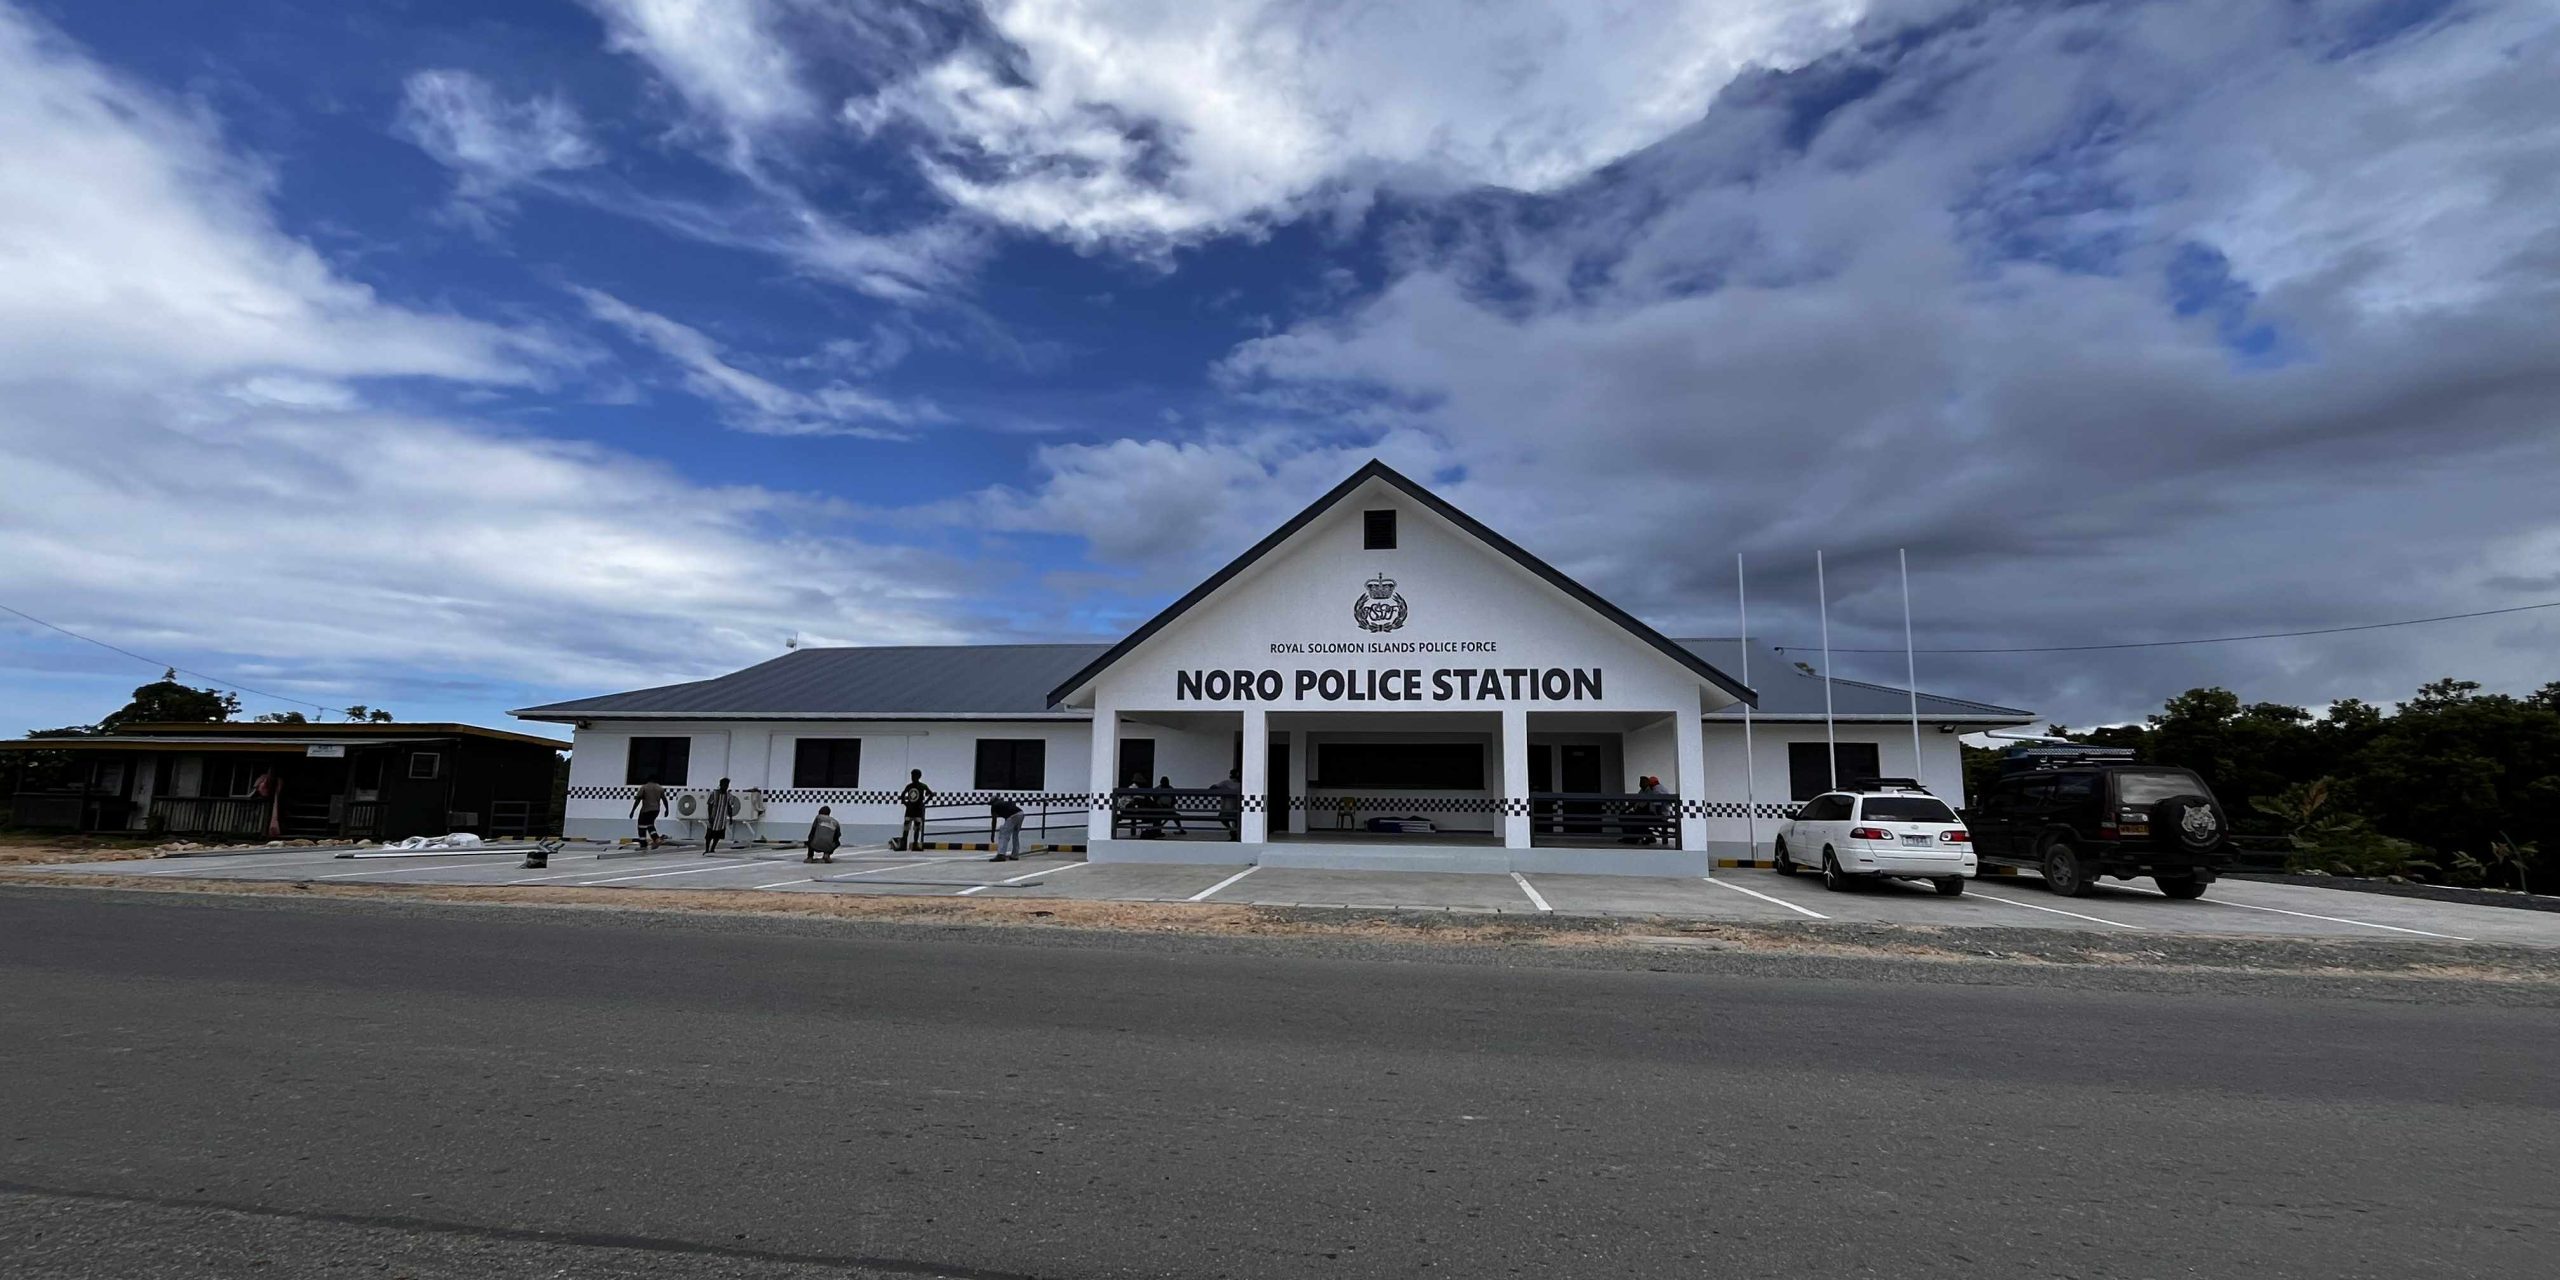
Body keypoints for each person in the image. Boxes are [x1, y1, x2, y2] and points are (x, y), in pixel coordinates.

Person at [896, 769, 933, 850]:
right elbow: (902, 795)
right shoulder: (913, 786)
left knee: (916, 828)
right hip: (913, 810)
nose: (912, 777)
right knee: (907, 828)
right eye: (912, 775)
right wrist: (905, 803)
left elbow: (931, 794)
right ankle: (905, 844)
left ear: (918, 776)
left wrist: (923, 803)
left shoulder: (920, 786)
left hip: (915, 810)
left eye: (914, 775)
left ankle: (914, 844)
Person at [630, 776, 667, 848]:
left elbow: (638, 799)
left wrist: (632, 811)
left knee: (641, 826)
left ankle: (643, 844)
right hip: (656, 810)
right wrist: (667, 809)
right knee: (650, 825)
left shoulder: (644, 787)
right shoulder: (659, 788)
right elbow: (664, 799)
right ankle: (656, 839)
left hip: (646, 810)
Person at [1210, 767, 1242, 840]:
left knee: (1225, 818)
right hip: (1232, 808)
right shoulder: (1236, 785)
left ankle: (1233, 831)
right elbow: (1213, 787)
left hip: (1231, 808)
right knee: (1232, 819)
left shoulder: (1226, 783)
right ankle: (1233, 831)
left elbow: (1213, 787)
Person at [989, 795, 1024, 862]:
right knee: (1015, 835)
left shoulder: (994, 805)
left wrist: (992, 834)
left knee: (1003, 834)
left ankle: (1001, 854)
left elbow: (994, 820)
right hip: (1021, 814)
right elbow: (1007, 816)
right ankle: (1015, 855)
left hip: (1013, 816)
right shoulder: (1003, 803)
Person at [702, 777, 732, 855]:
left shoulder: (728, 795)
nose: (726, 786)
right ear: (720, 785)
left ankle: (713, 848)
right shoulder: (714, 793)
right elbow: (710, 805)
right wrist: (710, 816)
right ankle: (707, 849)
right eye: (724, 785)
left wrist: (731, 817)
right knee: (709, 834)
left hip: (722, 818)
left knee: (718, 835)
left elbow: (729, 806)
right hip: (713, 817)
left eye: (727, 785)